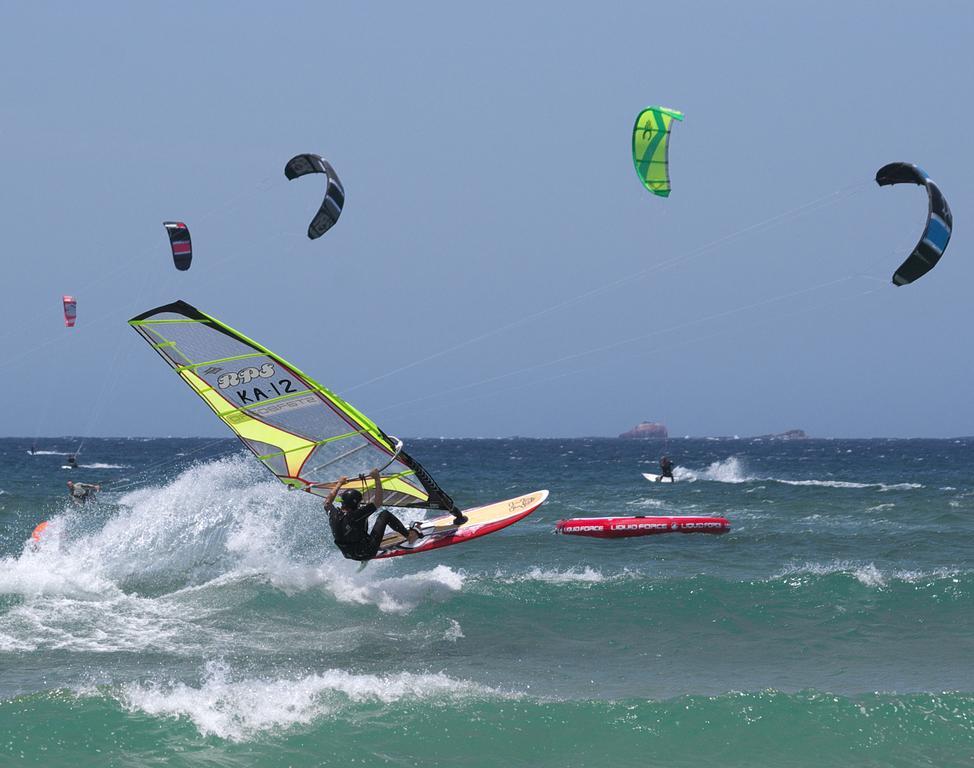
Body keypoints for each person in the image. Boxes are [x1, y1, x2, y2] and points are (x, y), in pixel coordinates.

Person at [324, 468, 422, 561]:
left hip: (348, 554)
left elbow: (327, 501)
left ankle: (361, 551)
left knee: (357, 527)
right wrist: (377, 479)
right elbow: (378, 502)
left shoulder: (333, 514)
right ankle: (410, 536)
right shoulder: (355, 515)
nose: (359, 505)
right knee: (385, 514)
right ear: (354, 504)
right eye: (358, 503)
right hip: (366, 552)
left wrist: (339, 483)